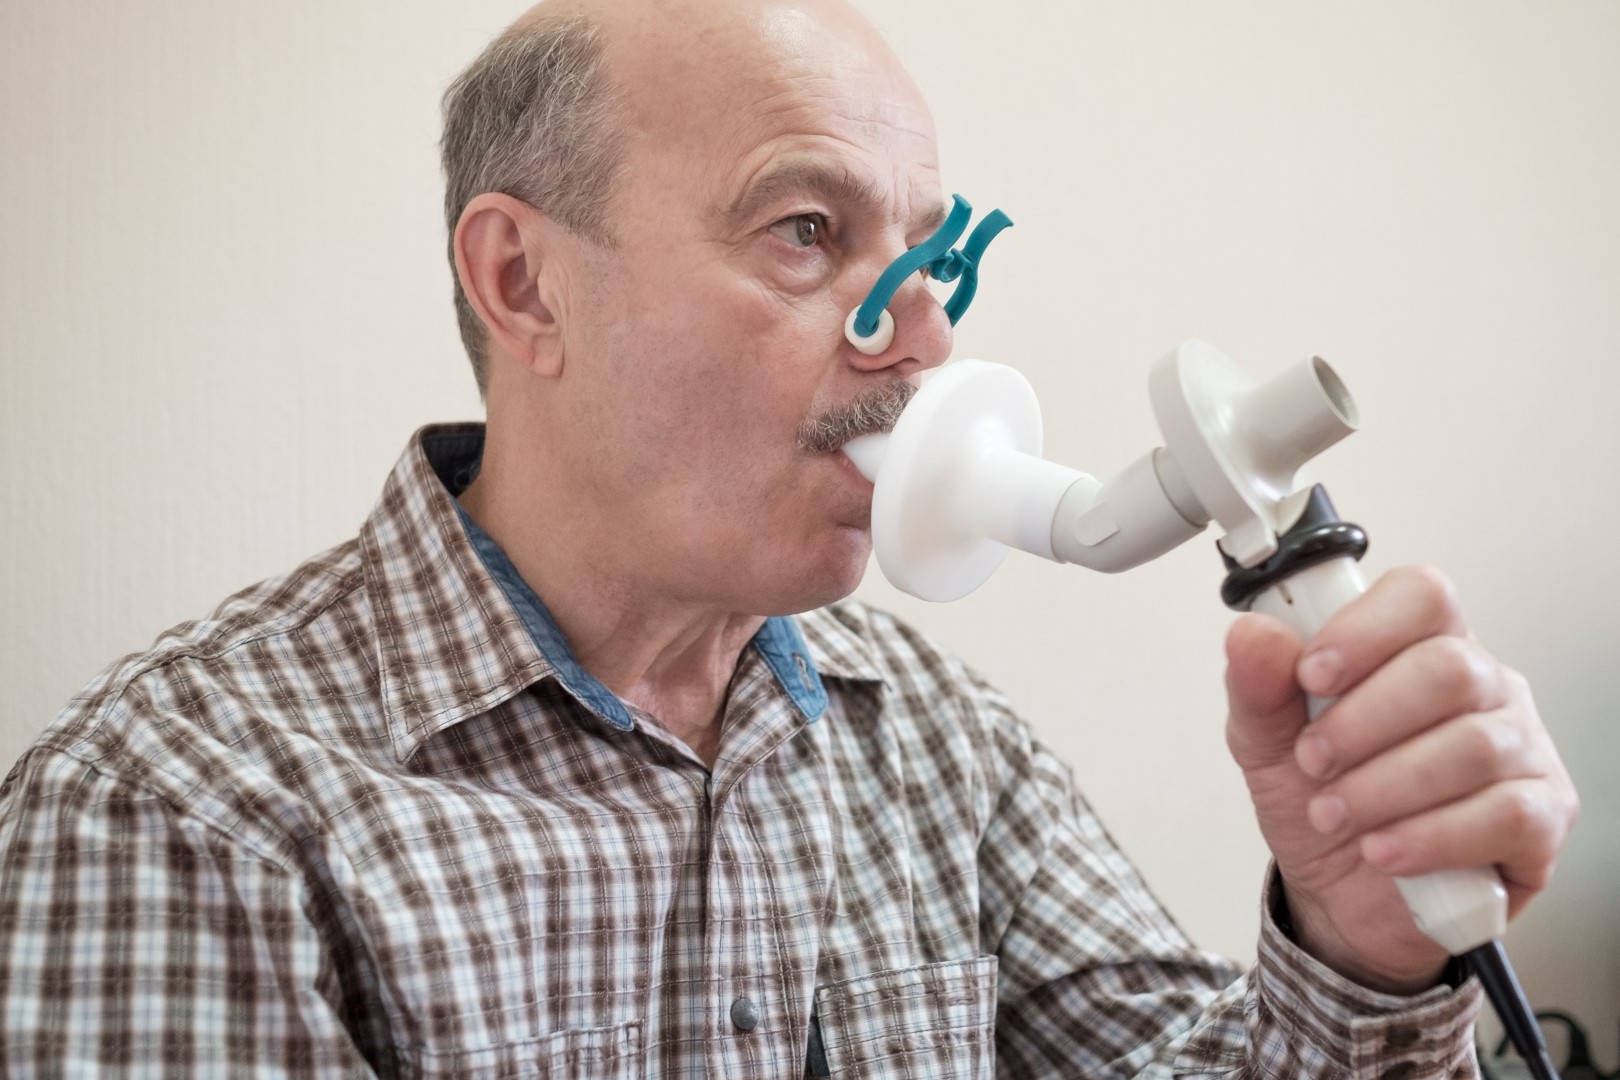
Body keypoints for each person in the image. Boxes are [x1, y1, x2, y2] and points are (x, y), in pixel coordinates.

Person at [0, 0, 1578, 1075]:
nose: (920, 342)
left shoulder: (933, 737)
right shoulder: (175, 812)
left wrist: (1358, 946)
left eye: (930, 251)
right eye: (808, 231)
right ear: (525, 284)